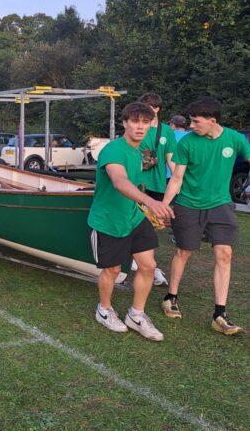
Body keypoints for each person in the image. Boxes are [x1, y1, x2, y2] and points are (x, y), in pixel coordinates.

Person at [161, 97, 250, 335]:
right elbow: (177, 179)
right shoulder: (187, 143)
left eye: (195, 121)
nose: (191, 126)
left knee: (225, 254)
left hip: (221, 204)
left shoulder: (235, 139)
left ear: (212, 121)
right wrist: (163, 205)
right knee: (184, 251)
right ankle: (171, 296)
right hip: (189, 204)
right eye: (190, 121)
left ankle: (219, 314)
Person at [88, 102, 174, 341]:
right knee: (113, 269)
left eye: (145, 122)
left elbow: (136, 184)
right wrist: (150, 202)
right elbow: (119, 181)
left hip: (133, 217)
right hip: (108, 220)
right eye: (135, 121)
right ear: (124, 123)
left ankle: (136, 315)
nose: (140, 127)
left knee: (148, 266)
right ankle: (104, 310)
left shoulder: (140, 152)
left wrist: (145, 207)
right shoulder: (114, 150)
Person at [137, 93, 177, 201]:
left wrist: (177, 181)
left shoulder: (166, 130)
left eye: (147, 108)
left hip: (158, 184)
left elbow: (171, 159)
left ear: (157, 109)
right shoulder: (137, 128)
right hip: (137, 183)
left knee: (157, 217)